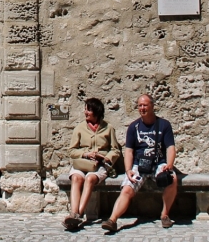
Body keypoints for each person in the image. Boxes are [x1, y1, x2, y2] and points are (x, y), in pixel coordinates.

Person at [101, 93, 177, 233]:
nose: (142, 108)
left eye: (145, 105)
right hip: (139, 165)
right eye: (140, 105)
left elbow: (170, 148)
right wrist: (128, 170)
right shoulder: (133, 127)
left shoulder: (164, 125)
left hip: (158, 163)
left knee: (172, 180)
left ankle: (165, 215)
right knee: (127, 189)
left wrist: (169, 165)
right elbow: (129, 151)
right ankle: (112, 220)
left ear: (152, 106)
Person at [63, 98, 121, 231]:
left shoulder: (108, 128)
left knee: (90, 178)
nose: (85, 112)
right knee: (76, 178)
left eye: (88, 109)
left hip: (99, 166)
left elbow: (115, 150)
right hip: (82, 163)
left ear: (96, 112)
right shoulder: (79, 128)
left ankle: (78, 215)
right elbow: (72, 151)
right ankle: (74, 213)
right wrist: (86, 154)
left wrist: (106, 158)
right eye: (85, 109)